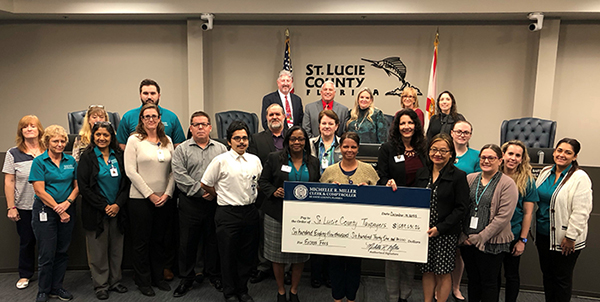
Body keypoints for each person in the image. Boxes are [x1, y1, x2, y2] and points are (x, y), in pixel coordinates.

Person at [201, 121, 262, 302]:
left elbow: (257, 183)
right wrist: (219, 194)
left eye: (244, 138)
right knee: (227, 255)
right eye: (237, 138)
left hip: (250, 212)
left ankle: (242, 290)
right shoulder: (221, 160)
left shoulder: (255, 160)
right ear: (229, 141)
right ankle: (230, 293)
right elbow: (205, 183)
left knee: (246, 255)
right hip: (228, 213)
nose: (241, 142)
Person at [259, 125, 320, 302]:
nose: (297, 142)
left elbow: (317, 185)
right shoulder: (275, 158)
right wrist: (273, 191)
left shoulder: (313, 161)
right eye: (293, 139)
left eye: (301, 139)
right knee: (277, 256)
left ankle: (293, 291)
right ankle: (280, 291)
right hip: (276, 213)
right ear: (287, 141)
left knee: (299, 255)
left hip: (302, 216)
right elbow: (263, 181)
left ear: (305, 142)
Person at [171, 111, 227, 297]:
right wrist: (204, 191)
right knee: (187, 243)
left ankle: (213, 274)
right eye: (196, 124)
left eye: (204, 124)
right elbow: (180, 177)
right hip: (190, 203)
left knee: (213, 241)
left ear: (210, 127)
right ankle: (186, 279)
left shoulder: (221, 149)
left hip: (215, 203)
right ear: (191, 128)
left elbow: (227, 174)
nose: (200, 127)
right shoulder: (181, 150)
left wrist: (214, 193)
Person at [320, 132, 379, 302]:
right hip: (335, 230)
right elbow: (319, 199)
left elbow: (378, 197)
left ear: (358, 148)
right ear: (340, 148)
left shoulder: (368, 170)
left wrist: (367, 191)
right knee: (335, 265)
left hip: (359, 230)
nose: (349, 150)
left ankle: (351, 298)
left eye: (353, 147)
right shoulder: (330, 171)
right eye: (345, 146)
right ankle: (337, 298)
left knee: (354, 266)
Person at [124, 103, 175, 296]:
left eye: (154, 116)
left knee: (159, 240)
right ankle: (143, 281)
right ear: (142, 120)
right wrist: (150, 195)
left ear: (160, 118)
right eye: (147, 116)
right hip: (140, 199)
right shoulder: (134, 140)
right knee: (141, 242)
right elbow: (130, 171)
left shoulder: (167, 140)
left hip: (164, 199)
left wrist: (167, 194)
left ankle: (158, 277)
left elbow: (173, 172)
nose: (151, 119)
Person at [378, 108, 426, 302]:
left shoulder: (424, 148)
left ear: (416, 125)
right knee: (392, 256)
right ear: (397, 126)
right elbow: (381, 176)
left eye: (410, 123)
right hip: (394, 208)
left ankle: (405, 297)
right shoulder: (388, 148)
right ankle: (392, 297)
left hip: (418, 209)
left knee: (410, 255)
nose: (406, 127)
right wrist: (387, 182)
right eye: (402, 123)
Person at [535, 138, 592, 302]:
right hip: (543, 235)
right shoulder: (546, 171)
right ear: (554, 152)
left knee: (562, 280)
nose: (562, 155)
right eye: (559, 150)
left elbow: (582, 211)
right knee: (547, 276)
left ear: (574, 157)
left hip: (565, 239)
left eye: (568, 152)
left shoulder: (580, 177)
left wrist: (571, 236)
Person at [77, 122, 130, 300]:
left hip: (118, 210)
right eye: (98, 135)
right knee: (97, 251)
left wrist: (117, 205)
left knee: (117, 248)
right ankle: (101, 285)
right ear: (93, 136)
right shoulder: (88, 157)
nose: (102, 138)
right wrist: (104, 206)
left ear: (111, 137)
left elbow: (126, 183)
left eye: (105, 135)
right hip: (96, 211)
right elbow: (84, 187)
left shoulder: (120, 155)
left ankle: (115, 281)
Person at [413, 134, 469, 302]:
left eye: (443, 150)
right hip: (424, 232)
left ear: (451, 153)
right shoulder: (422, 173)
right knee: (427, 270)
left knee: (443, 272)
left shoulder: (458, 176)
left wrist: (441, 228)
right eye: (434, 149)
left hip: (445, 233)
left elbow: (461, 208)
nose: (438, 153)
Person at [460, 144, 518, 302]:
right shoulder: (470, 179)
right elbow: (461, 208)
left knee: (489, 283)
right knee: (473, 280)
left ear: (500, 161)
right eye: (483, 157)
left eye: (491, 158)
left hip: (492, 242)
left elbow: (503, 217)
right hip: (467, 240)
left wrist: (480, 237)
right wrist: (464, 234)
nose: (486, 161)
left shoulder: (507, 184)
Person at [29, 125, 79, 302]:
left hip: (67, 210)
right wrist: (58, 209)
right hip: (45, 212)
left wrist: (67, 203)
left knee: (62, 251)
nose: (60, 144)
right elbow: (40, 191)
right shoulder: (39, 161)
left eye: (62, 140)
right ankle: (43, 290)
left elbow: (77, 186)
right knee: (46, 253)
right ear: (47, 142)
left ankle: (57, 287)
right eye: (55, 141)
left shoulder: (71, 161)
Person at [3, 115, 45, 290]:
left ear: (39, 129)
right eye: (25, 127)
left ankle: (48, 275)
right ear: (21, 131)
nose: (29, 129)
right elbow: (9, 182)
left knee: (48, 243)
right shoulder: (13, 153)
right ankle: (25, 275)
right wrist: (11, 206)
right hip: (24, 206)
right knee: (27, 242)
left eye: (32, 126)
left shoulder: (47, 150)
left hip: (47, 205)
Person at [248, 103, 287, 284]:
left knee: (287, 233)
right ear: (266, 117)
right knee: (265, 233)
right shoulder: (256, 139)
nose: (274, 117)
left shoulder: (292, 137)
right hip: (265, 194)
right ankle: (263, 267)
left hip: (289, 194)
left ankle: (285, 269)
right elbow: (254, 165)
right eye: (271, 114)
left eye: (277, 114)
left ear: (284, 116)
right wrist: (270, 188)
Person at [498, 140, 539, 302]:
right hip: (492, 235)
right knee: (492, 275)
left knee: (511, 275)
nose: (513, 158)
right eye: (510, 154)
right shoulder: (493, 174)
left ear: (522, 159)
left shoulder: (527, 181)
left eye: (517, 155)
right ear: (503, 155)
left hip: (513, 235)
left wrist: (522, 240)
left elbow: (528, 213)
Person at [308, 109, 341, 288]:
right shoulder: (310, 143)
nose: (326, 126)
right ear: (319, 125)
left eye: (330, 123)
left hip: (336, 195)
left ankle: (330, 274)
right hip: (315, 194)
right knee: (316, 236)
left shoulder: (344, 144)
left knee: (333, 236)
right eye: (323, 123)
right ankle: (316, 274)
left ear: (336, 126)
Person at [449, 120, 479, 301]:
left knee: (459, 251)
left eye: (466, 132)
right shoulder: (443, 152)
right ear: (452, 133)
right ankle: (440, 286)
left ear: (470, 135)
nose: (462, 134)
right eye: (459, 131)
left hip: (465, 208)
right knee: (442, 250)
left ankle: (456, 287)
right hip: (444, 207)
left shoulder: (476, 156)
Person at [117, 79, 185, 150]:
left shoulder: (171, 117)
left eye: (153, 93)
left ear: (159, 96)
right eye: (145, 93)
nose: (149, 97)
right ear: (140, 95)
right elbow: (122, 145)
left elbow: (178, 145)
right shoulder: (128, 117)